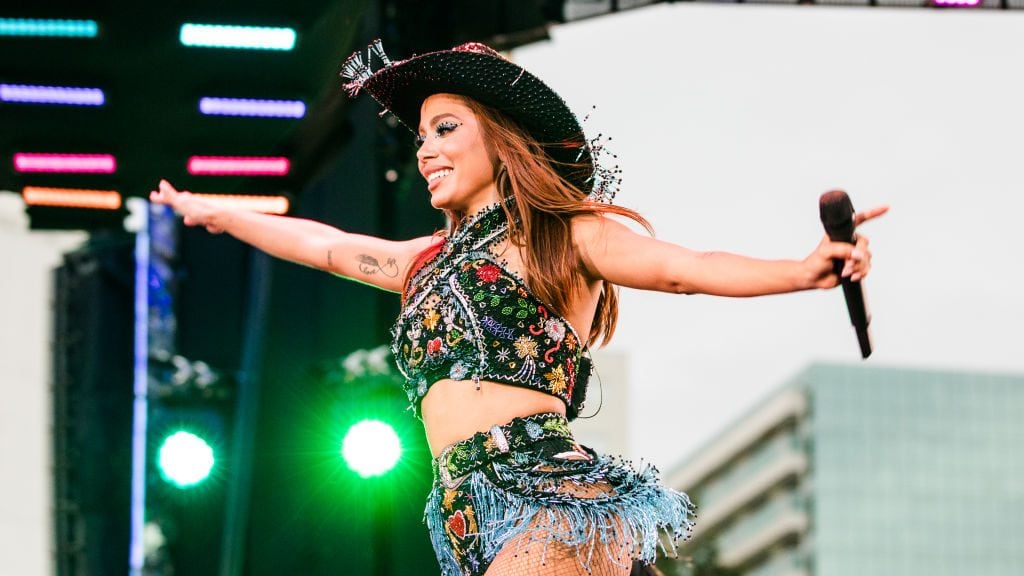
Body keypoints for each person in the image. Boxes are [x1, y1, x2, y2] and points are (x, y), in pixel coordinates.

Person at [150, 41, 886, 576]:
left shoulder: (560, 237)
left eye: (446, 130)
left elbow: (684, 269)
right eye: (421, 137)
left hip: (547, 495)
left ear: (501, 143)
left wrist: (799, 271)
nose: (425, 151)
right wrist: (222, 214)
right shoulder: (422, 263)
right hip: (463, 519)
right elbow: (327, 246)